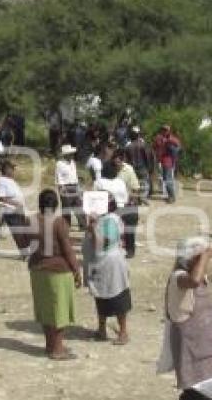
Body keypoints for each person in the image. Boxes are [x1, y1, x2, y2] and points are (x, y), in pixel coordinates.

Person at [157, 238, 212, 400]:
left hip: (207, 345)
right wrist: (205, 255)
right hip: (191, 346)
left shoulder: (199, 275)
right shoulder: (179, 278)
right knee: (199, 393)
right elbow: (194, 281)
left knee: (210, 391)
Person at [27, 189, 82, 360]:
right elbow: (67, 249)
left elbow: (25, 243)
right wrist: (76, 270)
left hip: (37, 270)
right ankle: (58, 349)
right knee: (59, 311)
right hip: (58, 271)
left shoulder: (32, 221)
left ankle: (49, 345)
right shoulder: (59, 223)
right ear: (56, 204)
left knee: (46, 310)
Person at [82, 194, 131, 345]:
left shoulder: (110, 221)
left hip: (110, 265)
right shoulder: (101, 220)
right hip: (98, 265)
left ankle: (123, 332)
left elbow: (102, 244)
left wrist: (93, 228)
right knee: (100, 295)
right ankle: (101, 329)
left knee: (118, 297)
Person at [112, 151, 141, 258]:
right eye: (114, 161)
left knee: (129, 228)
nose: (116, 163)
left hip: (128, 202)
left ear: (122, 160)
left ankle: (130, 250)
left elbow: (136, 188)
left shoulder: (128, 170)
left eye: (118, 161)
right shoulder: (112, 169)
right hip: (116, 202)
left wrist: (132, 200)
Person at [56, 144, 85, 230]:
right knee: (66, 207)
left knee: (78, 205)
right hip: (65, 186)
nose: (72, 155)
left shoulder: (73, 163)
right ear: (65, 155)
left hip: (74, 185)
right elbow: (59, 176)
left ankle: (82, 224)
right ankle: (66, 225)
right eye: (70, 154)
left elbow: (74, 175)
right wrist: (61, 187)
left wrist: (78, 185)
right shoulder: (60, 164)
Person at [125, 127, 154, 203]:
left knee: (134, 184)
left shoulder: (128, 147)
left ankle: (135, 199)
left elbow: (126, 160)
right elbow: (148, 157)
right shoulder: (143, 145)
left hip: (132, 168)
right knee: (144, 183)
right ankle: (143, 198)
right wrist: (150, 167)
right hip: (142, 167)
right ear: (138, 135)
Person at [153, 125, 181, 203]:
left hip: (168, 161)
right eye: (163, 130)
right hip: (161, 160)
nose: (164, 131)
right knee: (165, 179)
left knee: (168, 179)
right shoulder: (158, 138)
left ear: (169, 131)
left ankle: (172, 197)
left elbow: (178, 147)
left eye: (166, 130)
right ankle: (170, 196)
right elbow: (154, 147)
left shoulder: (172, 139)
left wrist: (171, 148)